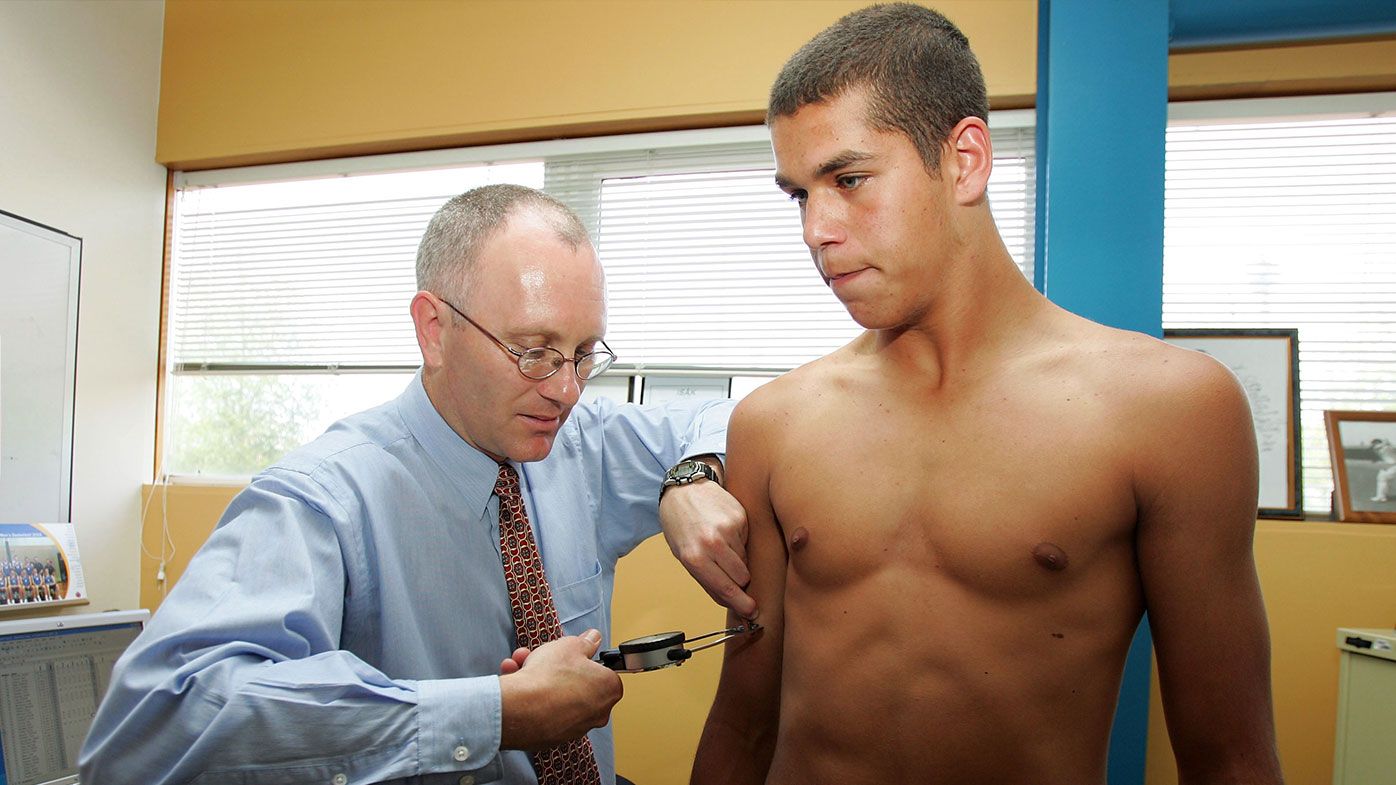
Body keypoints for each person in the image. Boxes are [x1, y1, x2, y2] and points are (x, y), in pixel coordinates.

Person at [691, 5, 1284, 784]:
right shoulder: (773, 422)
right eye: (799, 195)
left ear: (965, 159)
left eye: (849, 179)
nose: (816, 230)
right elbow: (742, 721)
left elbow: (1230, 756)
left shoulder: (1168, 412)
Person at [80, 184, 756, 785]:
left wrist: (691, 475)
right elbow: (146, 729)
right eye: (534, 351)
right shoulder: (323, 499)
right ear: (434, 329)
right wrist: (489, 713)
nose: (565, 389)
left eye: (583, 354)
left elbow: (735, 414)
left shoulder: (584, 443)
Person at [1370, 437, 1396, 502]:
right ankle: (1383, 496)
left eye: (1374, 443)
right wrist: (1385, 443)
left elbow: (1388, 447)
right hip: (1390, 466)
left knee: (1382, 478)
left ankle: (1381, 497)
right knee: (1383, 479)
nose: (1373, 445)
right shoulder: (1381, 448)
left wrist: (1386, 443)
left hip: (1392, 466)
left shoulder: (1386, 447)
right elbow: (1378, 447)